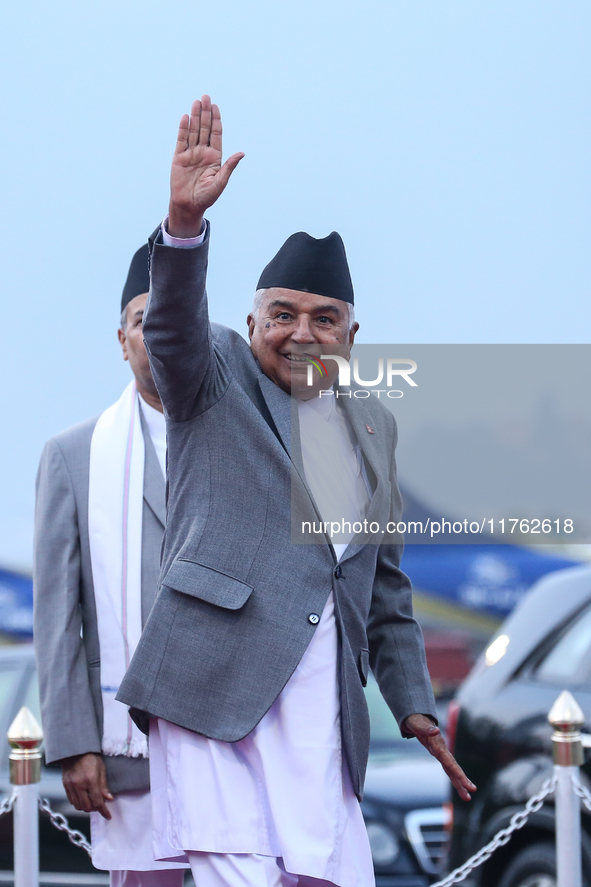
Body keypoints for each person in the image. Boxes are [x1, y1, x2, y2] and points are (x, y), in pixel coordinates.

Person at [117, 96, 476, 887]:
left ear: (352, 337)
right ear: (249, 323)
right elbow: (171, 329)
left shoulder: (373, 427)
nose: (300, 332)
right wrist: (182, 225)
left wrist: (413, 704)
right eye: (281, 314)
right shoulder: (213, 374)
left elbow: (383, 587)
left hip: (321, 713)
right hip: (215, 688)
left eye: (323, 318)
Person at [34, 245, 187, 887]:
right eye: (141, 320)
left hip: (236, 741)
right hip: (130, 752)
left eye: (171, 319)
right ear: (121, 339)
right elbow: (55, 617)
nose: (155, 335)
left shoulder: (241, 441)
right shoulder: (73, 456)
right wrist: (75, 743)